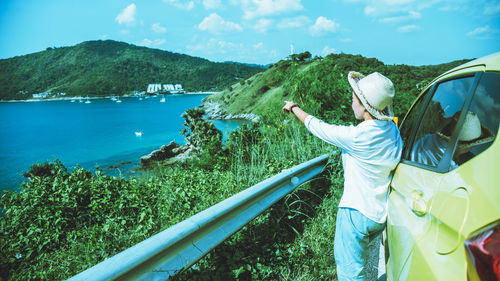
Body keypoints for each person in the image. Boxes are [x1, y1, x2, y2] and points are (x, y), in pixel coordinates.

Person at [282, 71, 403, 280]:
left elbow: (317, 127)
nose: (351, 100)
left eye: (355, 97)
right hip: (378, 214)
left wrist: (294, 107)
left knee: (350, 273)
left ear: (364, 106)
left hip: (355, 213)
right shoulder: (392, 130)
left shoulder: (357, 136)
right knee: (367, 268)